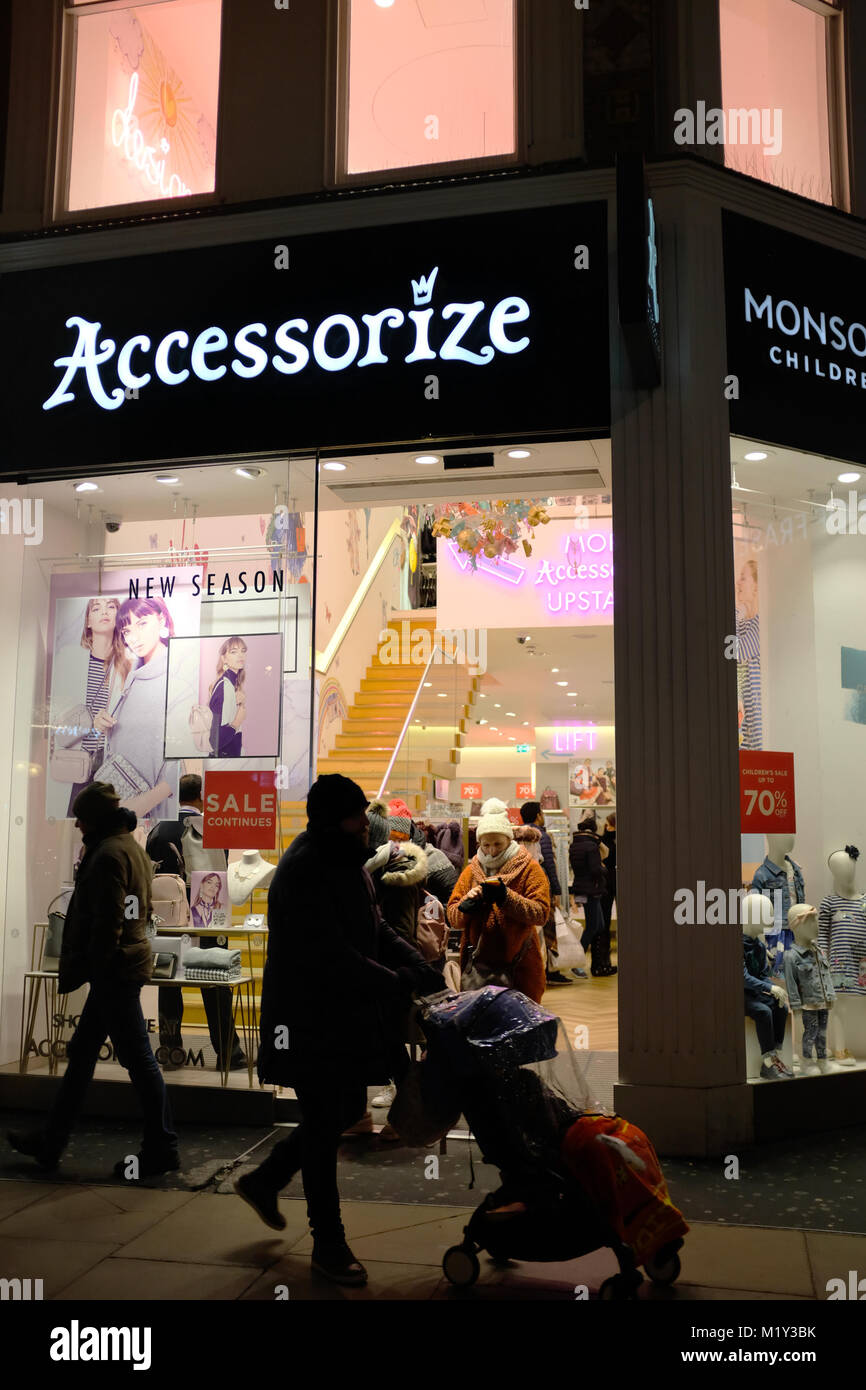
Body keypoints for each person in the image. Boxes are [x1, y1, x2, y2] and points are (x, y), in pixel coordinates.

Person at [234, 774, 443, 1286]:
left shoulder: (348, 862)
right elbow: (327, 953)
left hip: (344, 1012)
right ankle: (328, 1243)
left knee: (343, 1112)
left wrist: (416, 961)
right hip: (308, 1017)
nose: (365, 828)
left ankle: (266, 1180)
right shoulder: (304, 868)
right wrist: (395, 981)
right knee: (327, 1121)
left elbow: (375, 928)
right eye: (356, 818)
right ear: (336, 819)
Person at [6, 783, 180, 1178]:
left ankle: (162, 1147)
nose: (78, 824)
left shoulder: (107, 855)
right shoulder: (128, 846)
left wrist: (95, 968)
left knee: (137, 1061)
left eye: (82, 817)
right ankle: (51, 1141)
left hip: (113, 972)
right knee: (84, 1058)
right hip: (122, 967)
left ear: (95, 818)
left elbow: (108, 922)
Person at [145, 774, 245, 1073]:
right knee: (214, 978)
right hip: (206, 913)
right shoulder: (212, 829)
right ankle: (228, 1053)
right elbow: (221, 871)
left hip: (168, 917)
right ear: (202, 796)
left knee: (168, 979)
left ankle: (171, 1050)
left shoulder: (159, 829)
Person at [447, 799, 549, 1003]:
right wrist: (467, 906)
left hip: (521, 970)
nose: (492, 851)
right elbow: (453, 917)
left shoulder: (529, 868)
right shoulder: (471, 871)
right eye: (486, 845)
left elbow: (541, 913)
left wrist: (506, 898)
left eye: (497, 844)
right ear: (479, 843)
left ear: (509, 840)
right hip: (477, 972)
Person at [95, 596, 178, 821]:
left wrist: (140, 805)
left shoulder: (176, 675)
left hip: (147, 808)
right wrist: (104, 725)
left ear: (161, 620)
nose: (134, 637)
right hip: (120, 795)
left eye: (142, 624)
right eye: (127, 631)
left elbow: (181, 757)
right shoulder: (134, 673)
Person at [61, 596, 131, 815]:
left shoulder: (127, 665)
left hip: (112, 765)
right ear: (88, 621)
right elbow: (59, 729)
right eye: (96, 608)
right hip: (77, 763)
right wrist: (93, 729)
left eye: (111, 607)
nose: (104, 612)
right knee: (74, 824)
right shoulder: (71, 662)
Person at [519, 800, 568, 984]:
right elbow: (548, 864)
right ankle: (549, 971)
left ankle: (532, 969)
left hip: (523, 888)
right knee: (548, 928)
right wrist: (556, 890)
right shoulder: (541, 836)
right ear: (538, 815)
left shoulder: (516, 835)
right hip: (541, 886)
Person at [569, 813, 608, 975]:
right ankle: (576, 962)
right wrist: (604, 870)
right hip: (592, 889)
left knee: (598, 925)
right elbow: (595, 869)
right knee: (593, 926)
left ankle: (579, 960)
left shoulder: (575, 844)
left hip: (581, 887)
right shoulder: (591, 846)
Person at [208, 636, 248, 757]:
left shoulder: (231, 685)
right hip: (223, 762)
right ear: (224, 658)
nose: (240, 655)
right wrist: (237, 722)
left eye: (243, 651)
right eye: (234, 652)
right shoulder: (225, 686)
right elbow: (215, 741)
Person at [596, 813, 618, 976]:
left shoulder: (606, 841)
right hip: (607, 886)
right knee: (604, 923)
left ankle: (607, 961)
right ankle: (605, 961)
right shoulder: (603, 842)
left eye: (610, 825)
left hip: (611, 884)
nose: (607, 828)